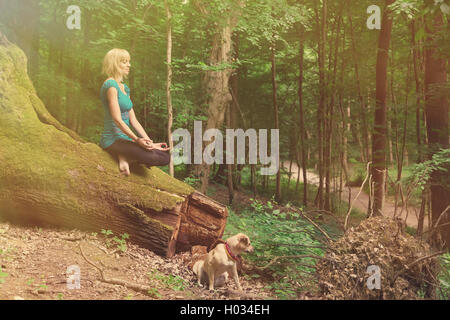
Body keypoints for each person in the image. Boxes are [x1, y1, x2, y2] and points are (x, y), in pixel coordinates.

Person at [99, 48, 170, 176]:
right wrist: (137, 140)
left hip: (126, 139)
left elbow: (134, 120)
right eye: (124, 62)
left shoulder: (125, 88)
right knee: (152, 158)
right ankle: (124, 155)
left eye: (129, 61)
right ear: (115, 63)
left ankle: (124, 156)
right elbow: (117, 119)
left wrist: (150, 142)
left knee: (165, 156)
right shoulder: (110, 85)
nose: (129, 65)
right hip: (112, 140)